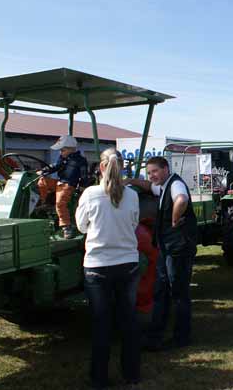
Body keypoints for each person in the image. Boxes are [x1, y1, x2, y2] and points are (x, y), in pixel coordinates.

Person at [75, 148, 140, 389]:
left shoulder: (90, 194)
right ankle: (131, 374)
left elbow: (81, 226)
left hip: (97, 266)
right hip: (127, 263)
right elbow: (134, 223)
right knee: (128, 320)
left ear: (101, 167)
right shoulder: (132, 195)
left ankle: (99, 379)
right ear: (121, 167)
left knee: (101, 324)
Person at [126, 156, 197, 351]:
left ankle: (182, 337)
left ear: (166, 168)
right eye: (149, 173)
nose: (151, 176)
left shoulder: (175, 185)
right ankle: (155, 335)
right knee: (161, 290)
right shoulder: (164, 186)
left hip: (178, 248)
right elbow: (149, 187)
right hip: (167, 247)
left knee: (179, 292)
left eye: (155, 171)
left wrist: (174, 219)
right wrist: (131, 181)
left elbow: (181, 200)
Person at [38, 135, 88, 239]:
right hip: (59, 183)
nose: (60, 152)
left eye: (62, 150)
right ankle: (44, 202)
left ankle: (66, 226)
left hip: (69, 185)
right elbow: (56, 166)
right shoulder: (63, 158)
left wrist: (82, 186)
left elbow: (84, 175)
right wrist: (44, 171)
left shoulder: (80, 160)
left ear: (71, 149)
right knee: (42, 181)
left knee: (60, 203)